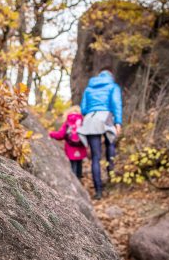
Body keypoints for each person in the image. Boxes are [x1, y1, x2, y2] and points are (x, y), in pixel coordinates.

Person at [78, 68, 122, 200]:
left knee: (95, 157)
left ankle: (98, 192)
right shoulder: (113, 86)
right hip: (106, 117)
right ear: (110, 76)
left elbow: (84, 109)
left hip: (90, 118)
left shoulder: (89, 88)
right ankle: (111, 175)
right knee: (110, 144)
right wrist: (118, 122)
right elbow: (116, 104)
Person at [49, 106, 87, 179]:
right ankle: (79, 179)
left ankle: (74, 181)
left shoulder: (68, 121)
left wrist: (51, 134)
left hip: (70, 148)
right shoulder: (83, 121)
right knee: (79, 164)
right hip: (81, 147)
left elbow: (60, 135)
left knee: (73, 165)